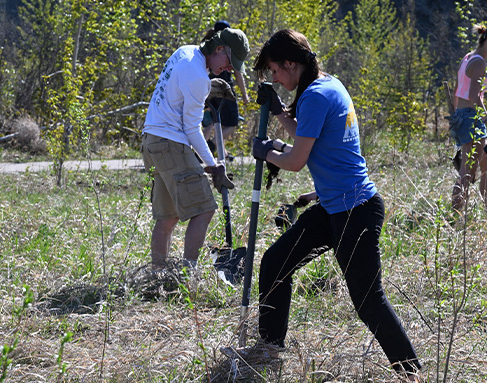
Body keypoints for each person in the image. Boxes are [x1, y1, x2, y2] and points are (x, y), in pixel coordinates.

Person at [247, 29, 422, 379]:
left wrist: (265, 150)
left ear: (291, 63)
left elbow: (297, 159)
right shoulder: (328, 85)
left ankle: (412, 374)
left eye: (276, 71)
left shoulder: (314, 96)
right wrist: (282, 111)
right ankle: (270, 347)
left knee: (368, 301)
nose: (277, 79)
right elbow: (309, 133)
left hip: (355, 211)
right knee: (276, 262)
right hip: (333, 207)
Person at [141, 26, 249, 269]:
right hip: (170, 143)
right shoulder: (200, 78)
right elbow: (191, 129)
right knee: (204, 210)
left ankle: (158, 275)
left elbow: (179, 90)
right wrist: (213, 165)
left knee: (167, 217)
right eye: (230, 62)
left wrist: (207, 88)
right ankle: (188, 275)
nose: (230, 69)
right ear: (218, 48)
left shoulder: (185, 52)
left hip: (151, 141)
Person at [450, 24, 487, 212]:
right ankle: (455, 217)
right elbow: (474, 97)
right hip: (470, 119)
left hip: (464, 117)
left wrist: (455, 117)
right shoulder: (478, 63)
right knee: (467, 172)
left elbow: (457, 91)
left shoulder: (468, 58)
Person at [201, 20, 249, 157]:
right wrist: (245, 95)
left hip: (208, 89)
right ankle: (213, 144)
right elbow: (238, 74)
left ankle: (214, 151)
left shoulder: (208, 46)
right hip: (224, 89)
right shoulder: (227, 50)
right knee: (232, 123)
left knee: (212, 122)